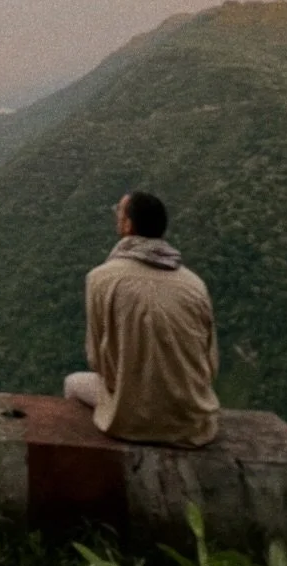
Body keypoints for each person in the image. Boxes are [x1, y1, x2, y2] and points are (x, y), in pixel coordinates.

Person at [64, 191, 219, 446]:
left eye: (119, 213)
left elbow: (96, 359)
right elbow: (210, 364)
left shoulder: (100, 279)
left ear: (127, 225)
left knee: (72, 384)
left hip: (131, 421)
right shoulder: (195, 285)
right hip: (191, 425)